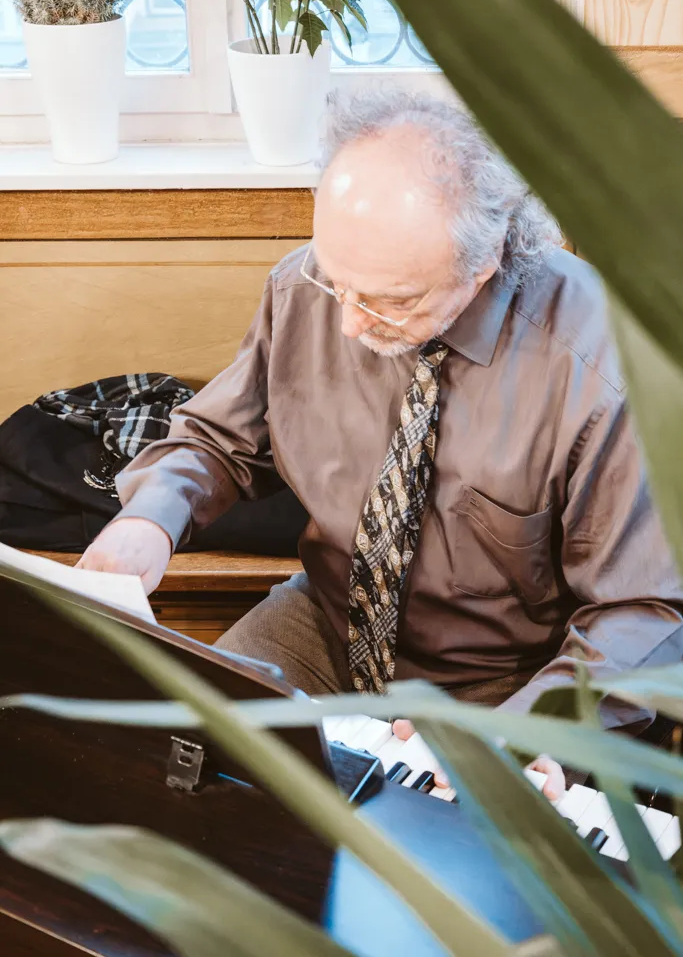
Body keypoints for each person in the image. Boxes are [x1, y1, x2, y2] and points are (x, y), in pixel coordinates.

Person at [78, 90, 683, 800]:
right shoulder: (304, 289)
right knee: (176, 774)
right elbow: (219, 437)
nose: (350, 327)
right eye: (335, 282)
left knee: (429, 882)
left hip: (508, 677)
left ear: (484, 258)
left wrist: (536, 729)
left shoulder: (607, 372)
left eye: (392, 301)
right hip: (326, 621)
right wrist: (150, 518)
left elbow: (643, 610)